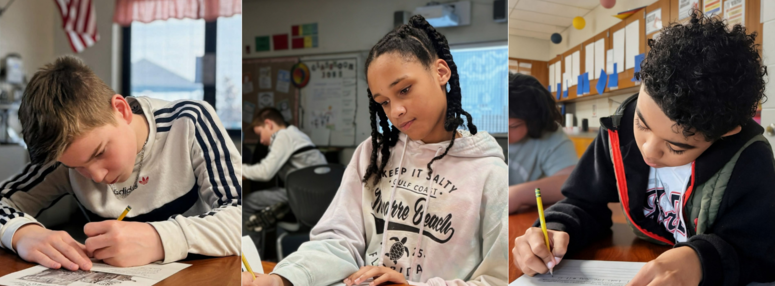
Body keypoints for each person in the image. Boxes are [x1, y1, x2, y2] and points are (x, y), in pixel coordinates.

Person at [243, 15, 508, 286]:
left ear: (441, 72)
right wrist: (284, 279)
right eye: (383, 102)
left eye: (404, 89)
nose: (396, 111)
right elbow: (338, 240)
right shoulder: (374, 154)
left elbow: (498, 279)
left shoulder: (489, 174)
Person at [512, 12, 775, 285]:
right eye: (642, 123)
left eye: (676, 147)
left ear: (725, 133)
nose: (648, 151)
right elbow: (583, 202)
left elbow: (759, 249)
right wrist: (555, 228)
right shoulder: (619, 127)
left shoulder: (749, 159)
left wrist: (700, 260)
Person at [0, 56, 241, 270]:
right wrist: (23, 233)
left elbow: (239, 215)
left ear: (122, 110)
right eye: (76, 167)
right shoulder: (64, 155)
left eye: (99, 153)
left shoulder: (189, 122)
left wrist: (159, 239)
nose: (96, 176)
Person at [242, 107, 327, 251]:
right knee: (271, 198)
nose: (261, 141)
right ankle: (273, 212)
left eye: (260, 134)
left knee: (248, 203)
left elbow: (265, 172)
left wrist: (238, 168)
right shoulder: (298, 135)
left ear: (269, 124)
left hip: (303, 196)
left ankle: (251, 260)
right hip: (319, 198)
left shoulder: (283, 135)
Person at [508, 72, 577, 214]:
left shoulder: (548, 133)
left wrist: (517, 195)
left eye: (513, 126)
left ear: (534, 121)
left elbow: (571, 182)